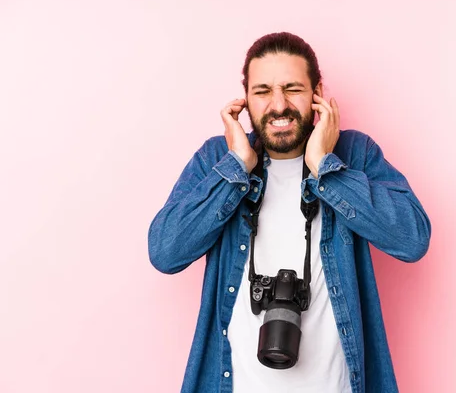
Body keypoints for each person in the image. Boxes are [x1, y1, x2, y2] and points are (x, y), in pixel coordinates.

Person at [148, 32, 431, 393]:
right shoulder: (218, 159)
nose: (278, 105)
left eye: (292, 88)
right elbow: (165, 251)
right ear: (245, 98)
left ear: (317, 92)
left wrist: (325, 166)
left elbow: (413, 239)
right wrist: (236, 167)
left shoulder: (353, 153)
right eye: (262, 91)